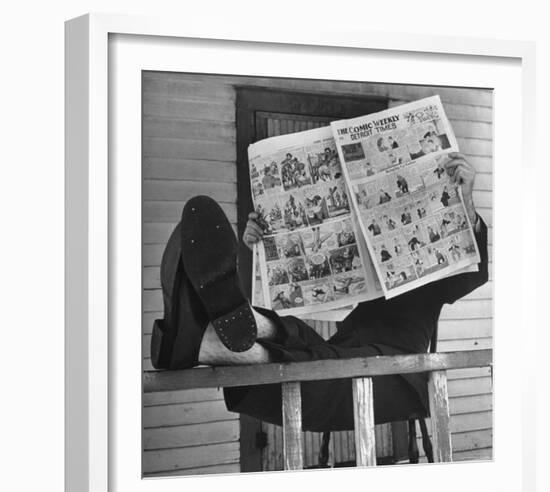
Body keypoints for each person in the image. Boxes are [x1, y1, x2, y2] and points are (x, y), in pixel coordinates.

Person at [151, 152, 487, 432]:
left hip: (400, 369)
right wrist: (267, 242)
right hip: (347, 345)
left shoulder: (439, 271)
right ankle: (231, 323)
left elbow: (473, 274)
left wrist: (466, 206)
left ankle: (199, 342)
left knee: (326, 367)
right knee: (299, 334)